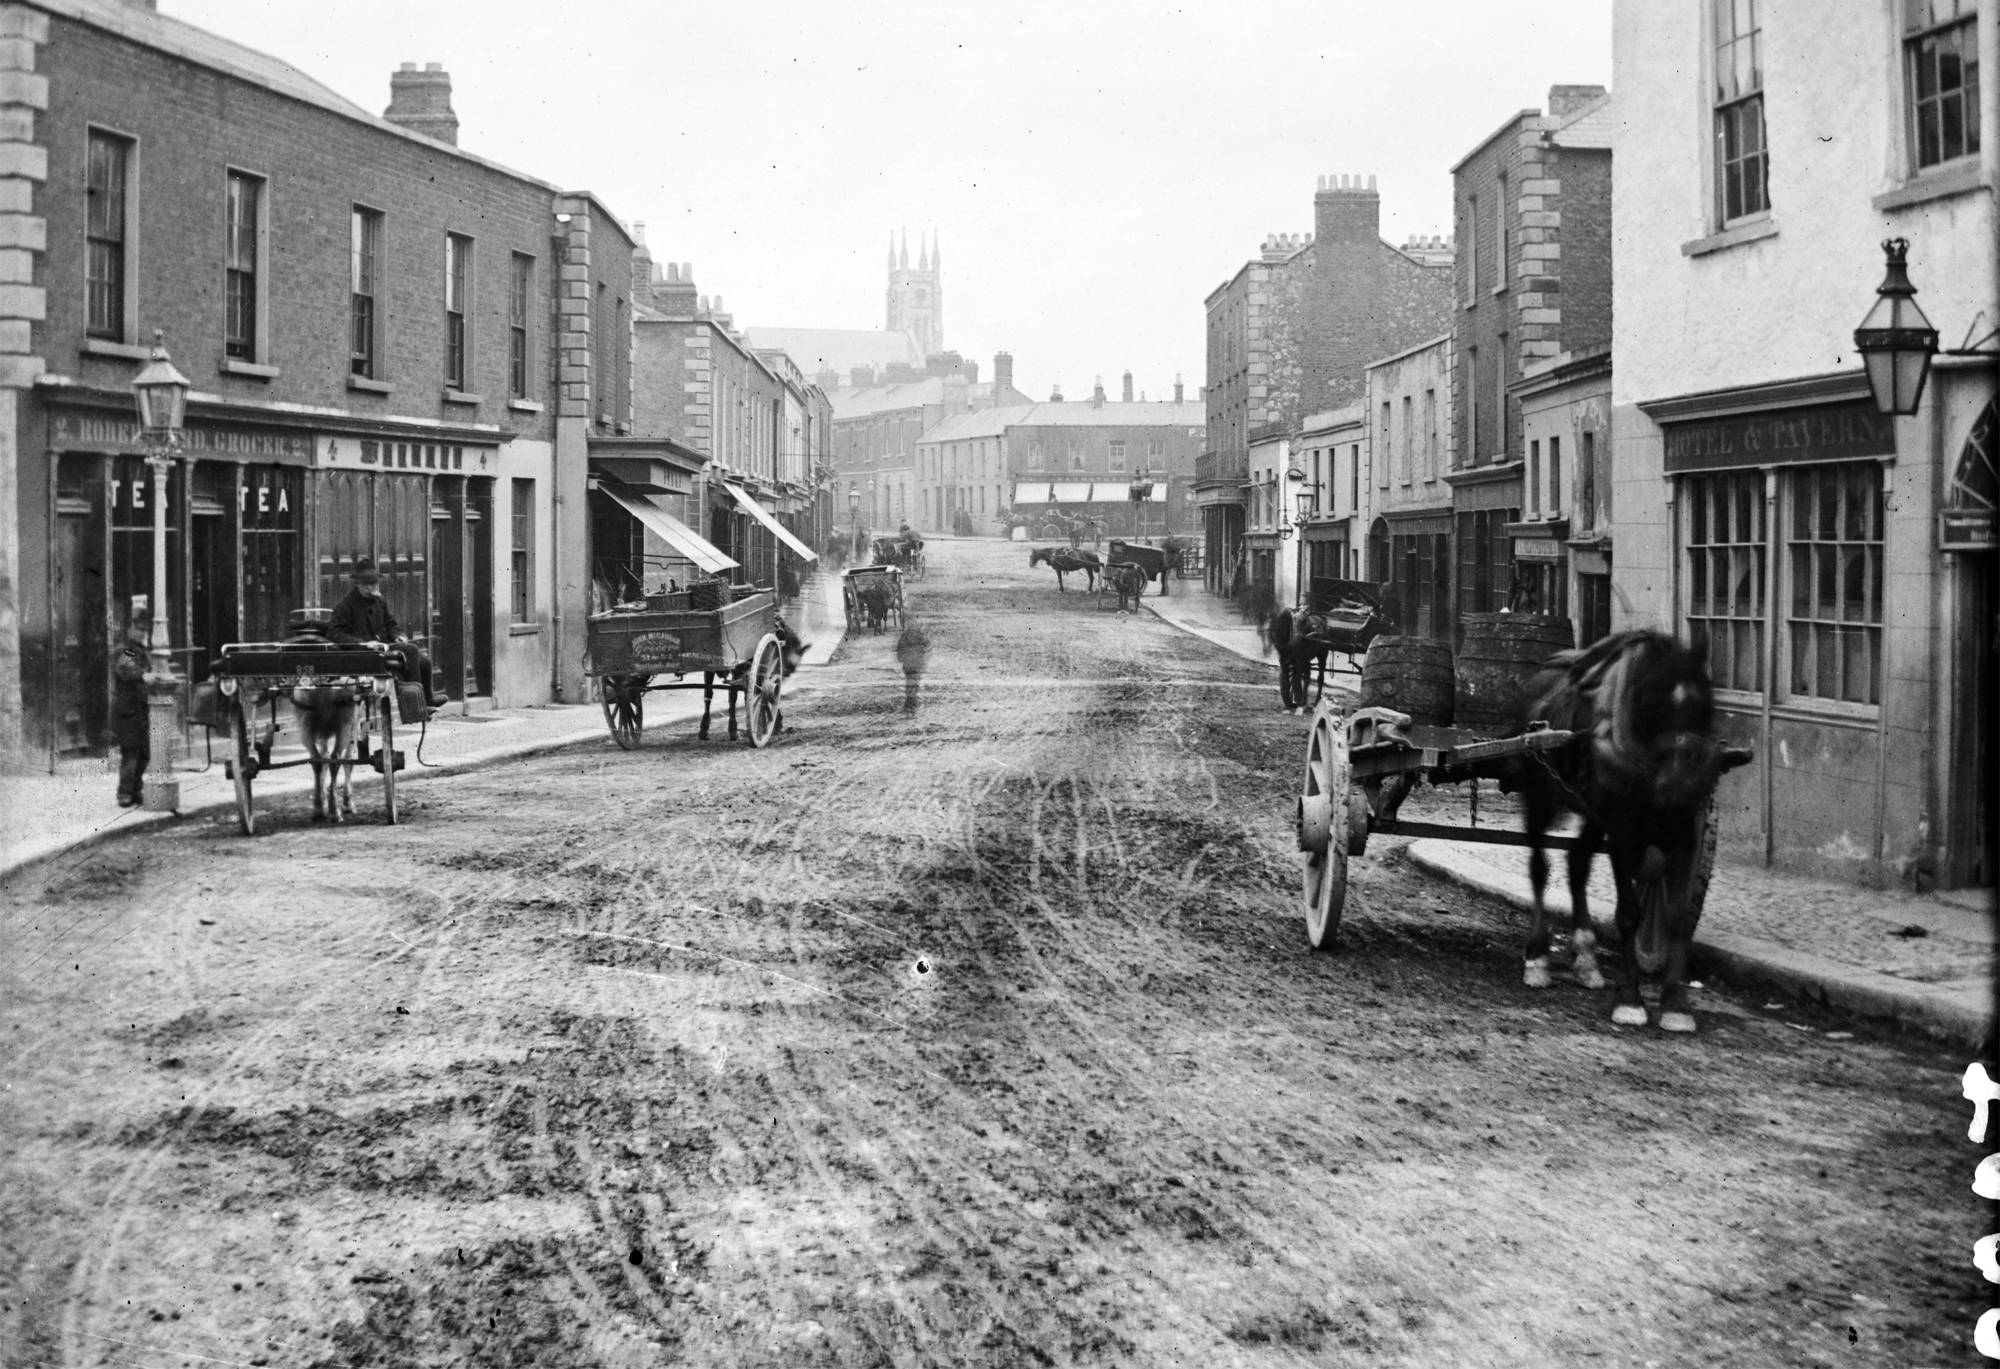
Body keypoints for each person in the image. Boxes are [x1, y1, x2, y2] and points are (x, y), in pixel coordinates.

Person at [328, 557, 450, 706]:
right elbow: (334, 633)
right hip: (366, 653)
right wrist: (363, 644)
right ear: (357, 584)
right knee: (410, 650)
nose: (370, 588)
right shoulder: (346, 605)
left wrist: (397, 635)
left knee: (425, 661)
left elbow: (390, 624)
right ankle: (414, 704)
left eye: (373, 584)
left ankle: (427, 699)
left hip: (385, 646)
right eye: (366, 585)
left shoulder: (380, 601)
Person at [111, 613, 151, 807]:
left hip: (140, 709)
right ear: (130, 629)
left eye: (144, 630)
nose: (142, 633)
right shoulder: (127, 650)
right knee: (131, 754)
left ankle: (135, 789)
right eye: (139, 629)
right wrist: (144, 675)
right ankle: (125, 793)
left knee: (144, 753)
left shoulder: (139, 649)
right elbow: (126, 669)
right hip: (128, 710)